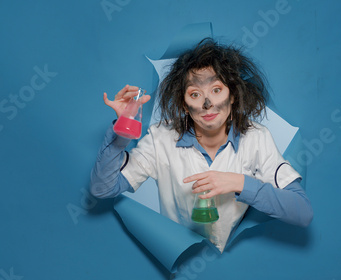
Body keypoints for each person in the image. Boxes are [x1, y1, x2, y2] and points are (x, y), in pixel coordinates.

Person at [90, 38, 313, 253]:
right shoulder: (161, 138)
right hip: (180, 260)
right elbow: (103, 189)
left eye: (216, 90)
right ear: (184, 105)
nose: (208, 104)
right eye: (195, 94)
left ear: (233, 95)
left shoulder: (256, 138)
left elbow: (302, 212)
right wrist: (122, 130)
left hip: (232, 267)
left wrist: (238, 182)